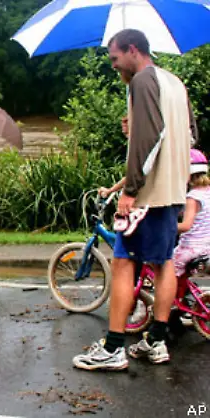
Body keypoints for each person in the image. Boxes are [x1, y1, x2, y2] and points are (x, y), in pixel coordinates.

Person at [73, 29, 193, 371]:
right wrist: (137, 125)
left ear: (133, 50)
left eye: (114, 58)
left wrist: (130, 190)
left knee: (124, 263)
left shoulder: (141, 81)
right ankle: (156, 341)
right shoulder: (175, 82)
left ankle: (113, 347)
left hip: (148, 195)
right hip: (173, 192)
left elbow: (152, 137)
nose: (113, 66)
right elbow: (188, 135)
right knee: (163, 263)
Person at [173, 149, 210, 278]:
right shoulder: (207, 192)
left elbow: (186, 226)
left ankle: (169, 297)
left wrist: (163, 228)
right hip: (206, 246)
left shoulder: (193, 197)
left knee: (165, 271)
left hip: (191, 248)